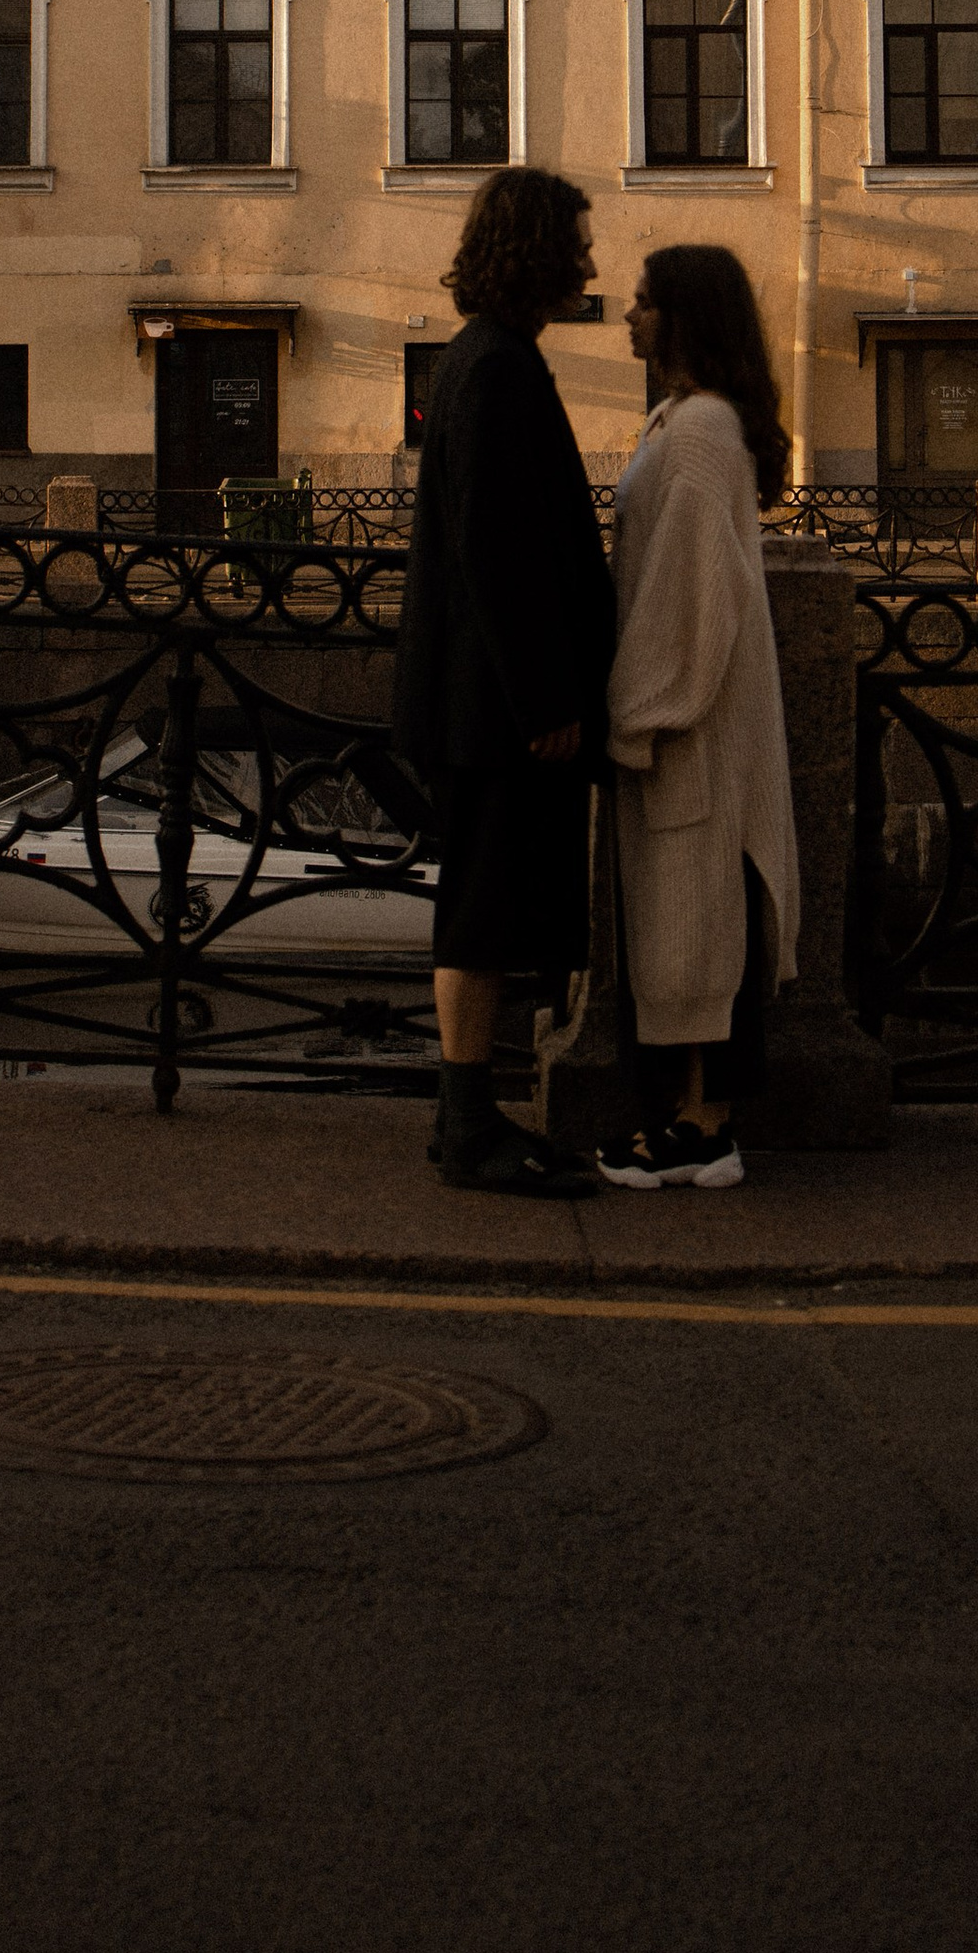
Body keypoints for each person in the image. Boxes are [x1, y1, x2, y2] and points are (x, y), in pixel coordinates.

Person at [392, 167, 615, 1194]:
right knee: (479, 914)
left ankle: (464, 1117)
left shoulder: (490, 361)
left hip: (486, 702)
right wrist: (547, 701)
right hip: (492, 708)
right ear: (532, 252)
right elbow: (499, 552)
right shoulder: (493, 371)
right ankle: (468, 1122)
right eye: (573, 245)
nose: (587, 264)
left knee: (481, 910)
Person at [596, 243, 800, 1191]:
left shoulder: (697, 432)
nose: (628, 317)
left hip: (695, 725)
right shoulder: (682, 421)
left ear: (682, 320)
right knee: (690, 914)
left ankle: (707, 1124)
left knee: (702, 915)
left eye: (644, 304)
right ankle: (687, 1114)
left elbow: (692, 595)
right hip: (697, 722)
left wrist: (633, 710)